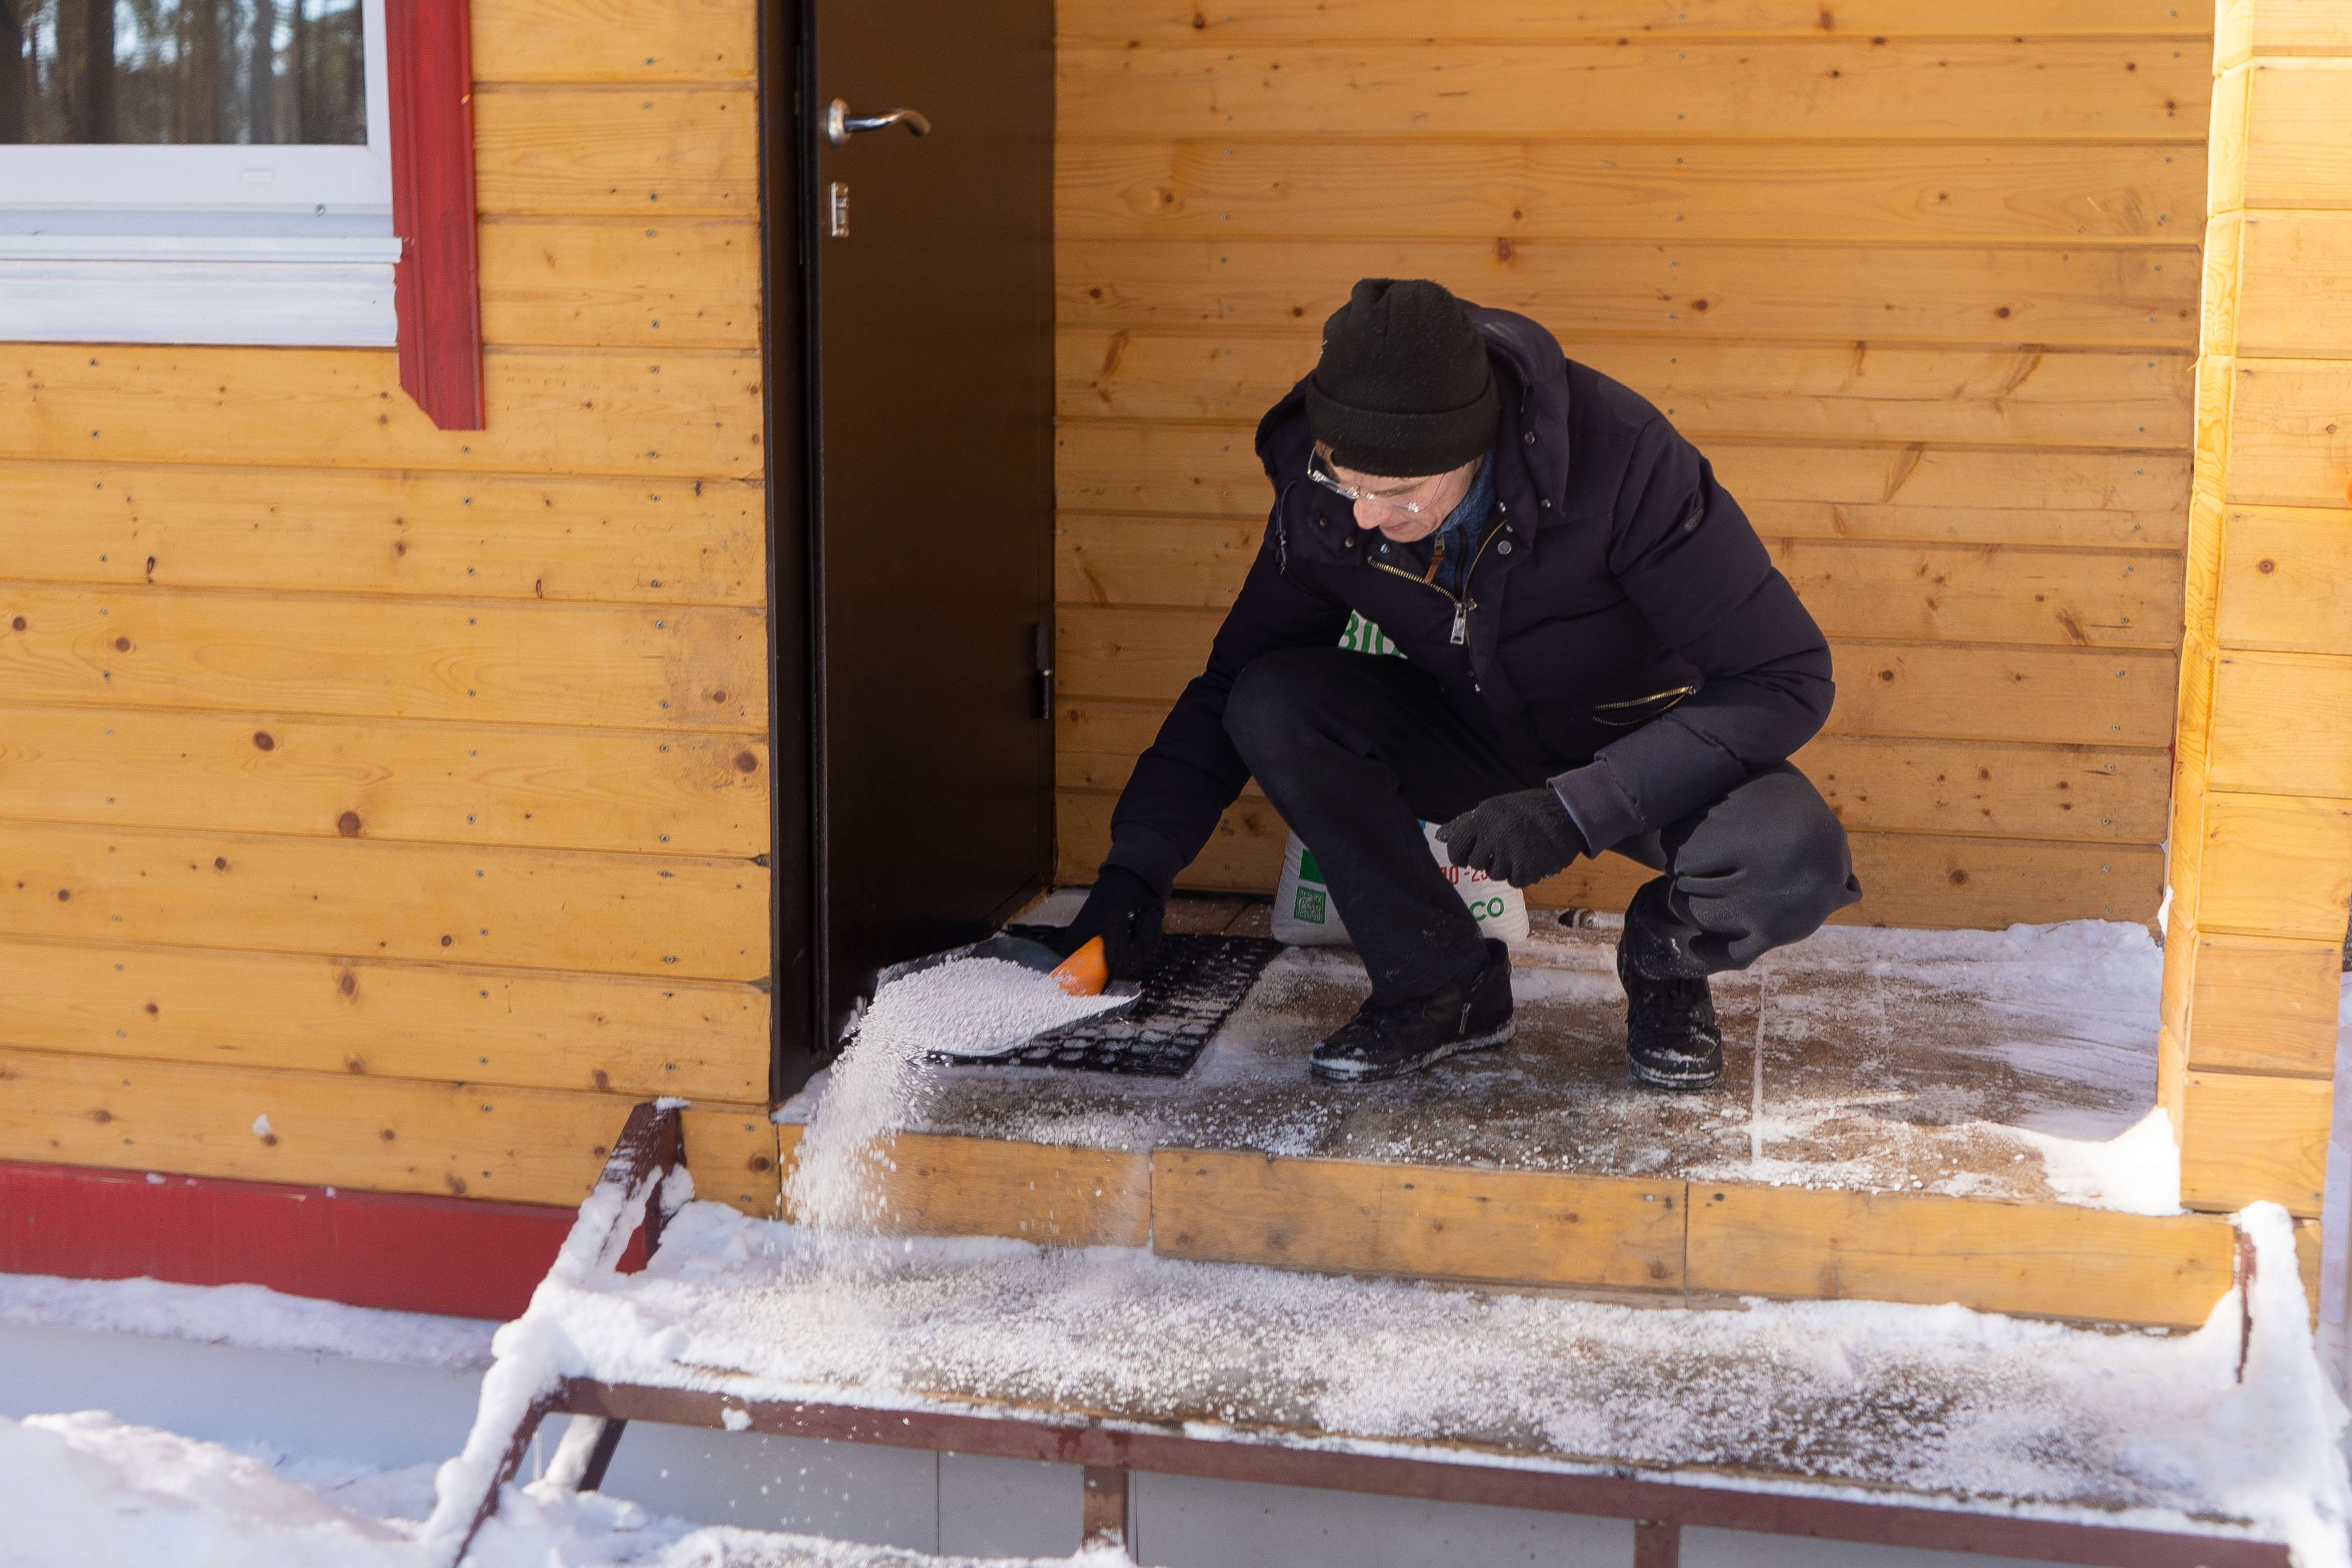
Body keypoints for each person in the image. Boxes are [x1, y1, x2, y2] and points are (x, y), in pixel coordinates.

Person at [1056, 278, 1861, 1089]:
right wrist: (1138, 871)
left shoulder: (1623, 460)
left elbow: (1785, 675)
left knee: (1792, 859)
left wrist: (1580, 805)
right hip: (1466, 727)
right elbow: (1232, 674)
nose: (1364, 516)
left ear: (1472, 448)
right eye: (1346, 481)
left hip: (1635, 745)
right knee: (1269, 698)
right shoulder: (1325, 495)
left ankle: (1663, 960)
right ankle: (1441, 980)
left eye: (1398, 495)